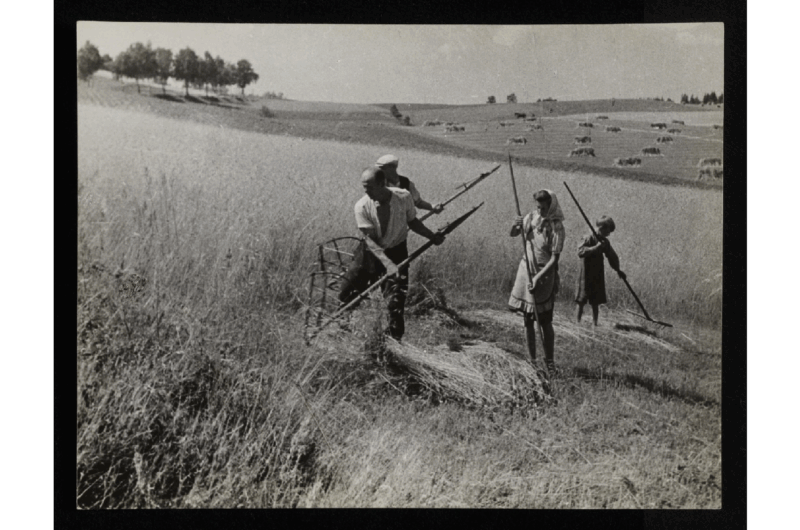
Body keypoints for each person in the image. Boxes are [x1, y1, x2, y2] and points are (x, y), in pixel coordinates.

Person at [338, 166, 444, 341]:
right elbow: (370, 241)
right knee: (348, 292)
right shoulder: (362, 206)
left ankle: (393, 341)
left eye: (370, 187)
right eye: (364, 187)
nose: (366, 191)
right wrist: (387, 265)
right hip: (370, 253)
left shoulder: (403, 197)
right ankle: (341, 327)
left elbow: (413, 222)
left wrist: (432, 236)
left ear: (382, 184)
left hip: (397, 251)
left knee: (395, 299)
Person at [508, 189, 566, 374]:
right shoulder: (531, 217)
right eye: (538, 207)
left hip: (544, 275)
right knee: (527, 319)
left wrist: (538, 278)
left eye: (543, 208)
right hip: (526, 271)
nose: (540, 211)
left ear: (551, 206)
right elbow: (513, 234)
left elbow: (554, 260)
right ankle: (531, 361)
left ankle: (549, 363)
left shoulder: (556, 227)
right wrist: (516, 225)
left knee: (545, 321)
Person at [574, 216, 627, 326]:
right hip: (585, 274)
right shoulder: (588, 237)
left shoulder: (604, 242)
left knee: (595, 302)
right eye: (608, 231)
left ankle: (595, 325)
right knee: (581, 301)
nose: (609, 234)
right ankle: (576, 325)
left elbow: (612, 256)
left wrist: (618, 270)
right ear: (602, 228)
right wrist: (595, 248)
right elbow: (580, 252)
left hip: (597, 274)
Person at [375, 154, 444, 214]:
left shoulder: (406, 182)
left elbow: (418, 202)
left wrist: (432, 207)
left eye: (382, 168)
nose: (379, 171)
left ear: (393, 167)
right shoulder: (379, 184)